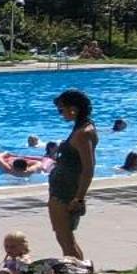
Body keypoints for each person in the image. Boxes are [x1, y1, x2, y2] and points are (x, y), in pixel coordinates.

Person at [48, 88, 98, 261]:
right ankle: (80, 273)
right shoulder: (83, 128)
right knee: (65, 238)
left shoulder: (83, 134)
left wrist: (79, 198)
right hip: (64, 188)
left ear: (73, 108)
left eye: (61, 109)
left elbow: (88, 168)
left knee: (65, 239)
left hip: (66, 192)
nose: (60, 114)